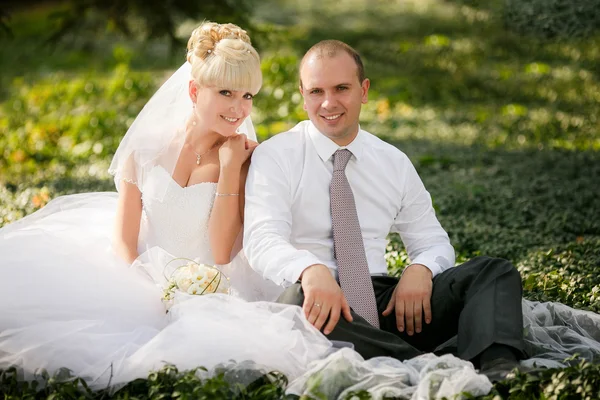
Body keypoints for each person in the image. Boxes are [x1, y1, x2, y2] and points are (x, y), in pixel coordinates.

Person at [0, 22, 332, 389]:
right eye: (226, 92)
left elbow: (222, 252)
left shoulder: (245, 159)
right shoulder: (145, 150)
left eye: (248, 95)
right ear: (194, 90)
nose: (240, 109)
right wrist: (146, 289)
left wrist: (227, 168)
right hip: (141, 273)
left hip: (217, 286)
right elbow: (126, 241)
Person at [244, 39, 596, 382]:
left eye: (341, 88)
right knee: (296, 304)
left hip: (387, 303)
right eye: (316, 91)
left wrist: (421, 268)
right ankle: (427, 365)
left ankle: (498, 366)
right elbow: (261, 238)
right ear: (302, 95)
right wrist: (309, 268)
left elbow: (432, 240)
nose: (329, 102)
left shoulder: (393, 162)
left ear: (364, 90)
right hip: (322, 303)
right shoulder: (277, 156)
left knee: (493, 270)